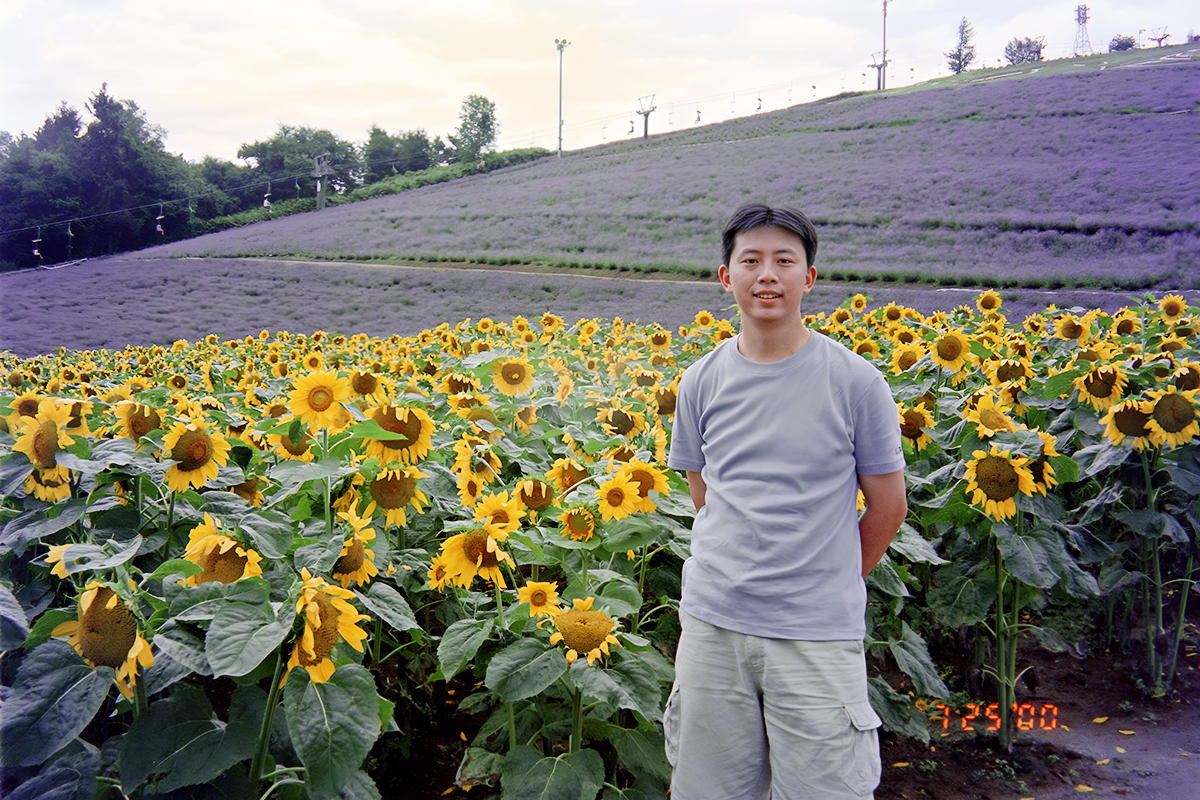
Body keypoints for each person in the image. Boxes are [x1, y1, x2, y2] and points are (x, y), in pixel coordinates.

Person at [664, 203, 907, 799]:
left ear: (808, 278)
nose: (766, 274)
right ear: (727, 278)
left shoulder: (855, 382)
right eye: (750, 260)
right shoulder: (699, 381)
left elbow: (888, 506)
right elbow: (706, 493)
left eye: (783, 261)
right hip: (713, 624)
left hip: (814, 634)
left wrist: (829, 579)